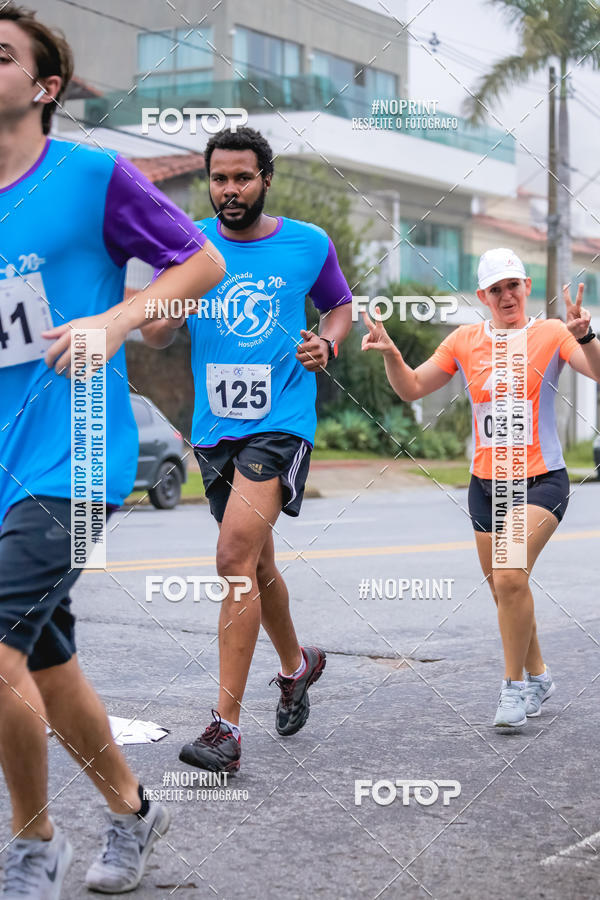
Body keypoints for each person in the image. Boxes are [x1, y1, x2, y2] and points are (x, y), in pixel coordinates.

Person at [0, 5, 225, 897]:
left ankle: (31, 844)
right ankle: (135, 813)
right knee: (42, 661)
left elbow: (198, 263)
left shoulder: (93, 176)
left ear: (43, 88)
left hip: (76, 455)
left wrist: (116, 317)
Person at [143, 126, 353, 772]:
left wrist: (328, 343)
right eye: (219, 179)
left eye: (241, 178)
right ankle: (297, 666)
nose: (229, 190)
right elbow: (152, 334)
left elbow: (339, 306)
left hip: (280, 423)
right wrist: (169, 311)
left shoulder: (307, 244)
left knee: (233, 555)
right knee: (257, 567)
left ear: (266, 178)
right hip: (213, 432)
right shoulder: (190, 245)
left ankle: (223, 729)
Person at [361, 248, 600, 729]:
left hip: (541, 481)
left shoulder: (551, 333)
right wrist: (391, 354)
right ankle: (538, 675)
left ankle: (513, 689)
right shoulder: (464, 340)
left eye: (513, 284)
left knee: (510, 576)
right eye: (496, 288)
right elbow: (410, 388)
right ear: (482, 296)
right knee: (504, 589)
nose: (506, 295)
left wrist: (588, 337)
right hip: (485, 485)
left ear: (527, 286)